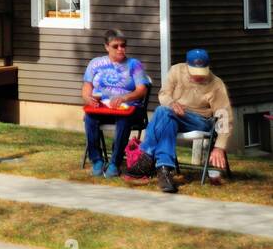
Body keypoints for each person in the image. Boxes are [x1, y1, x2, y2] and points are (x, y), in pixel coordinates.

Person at [127, 49, 232, 193]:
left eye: (202, 72)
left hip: (200, 120)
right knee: (166, 116)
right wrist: (171, 103)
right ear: (187, 66)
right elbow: (164, 94)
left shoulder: (216, 84)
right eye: (194, 72)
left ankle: (147, 156)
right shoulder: (176, 71)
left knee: (161, 111)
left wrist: (219, 146)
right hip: (174, 115)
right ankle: (164, 170)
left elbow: (223, 115)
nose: (198, 77)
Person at [80, 28, 150, 177]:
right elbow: (87, 87)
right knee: (89, 117)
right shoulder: (95, 63)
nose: (120, 49)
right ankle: (97, 160)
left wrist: (125, 98)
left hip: (129, 109)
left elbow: (141, 90)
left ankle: (115, 163)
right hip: (103, 108)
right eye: (115, 46)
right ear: (106, 47)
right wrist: (88, 98)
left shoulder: (134, 64)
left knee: (124, 119)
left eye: (123, 45)